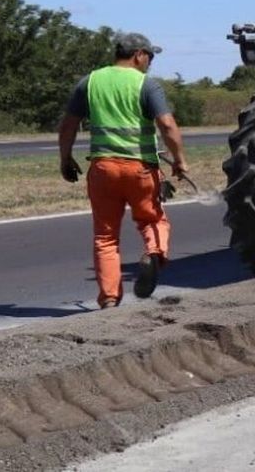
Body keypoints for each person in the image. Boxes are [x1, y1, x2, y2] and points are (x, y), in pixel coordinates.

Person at [58, 33, 188, 308]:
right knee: (153, 220)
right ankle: (153, 254)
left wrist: (65, 158)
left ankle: (108, 299)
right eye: (150, 57)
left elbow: (68, 125)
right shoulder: (146, 84)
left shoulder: (90, 82)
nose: (150, 63)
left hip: (103, 169)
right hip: (139, 169)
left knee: (105, 236)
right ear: (139, 54)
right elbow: (166, 124)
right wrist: (179, 160)